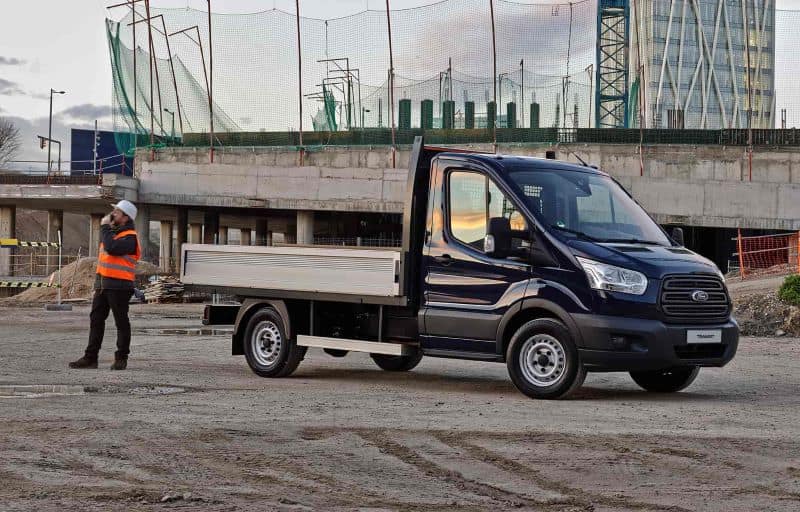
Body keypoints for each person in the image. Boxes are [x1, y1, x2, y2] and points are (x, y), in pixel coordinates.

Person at [69, 200, 141, 370]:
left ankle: (121, 358)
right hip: (103, 285)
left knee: (121, 322)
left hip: (120, 286)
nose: (112, 214)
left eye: (116, 211)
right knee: (96, 320)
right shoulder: (113, 233)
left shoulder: (130, 237)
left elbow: (112, 248)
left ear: (125, 217)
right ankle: (90, 358)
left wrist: (104, 227)